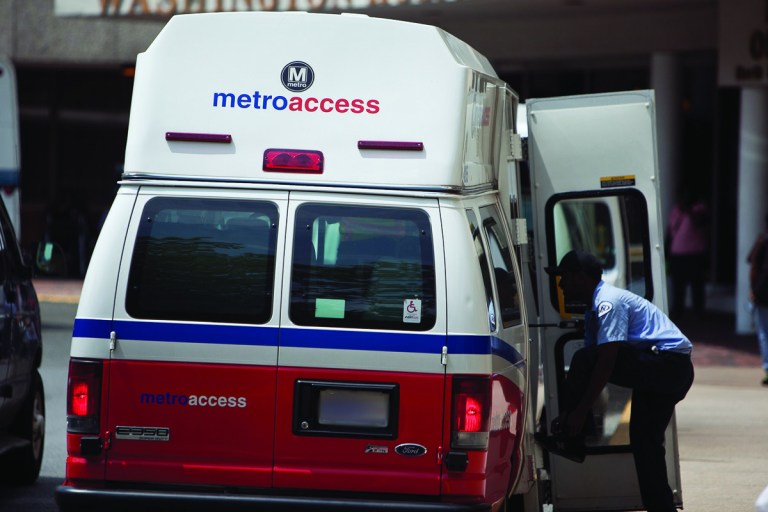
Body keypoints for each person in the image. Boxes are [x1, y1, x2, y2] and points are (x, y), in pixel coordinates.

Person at [536, 250, 694, 512]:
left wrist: (577, 413)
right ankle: (661, 508)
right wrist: (572, 412)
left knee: (586, 360)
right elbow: (593, 374)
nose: (561, 285)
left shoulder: (608, 302)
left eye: (565, 277)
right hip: (662, 371)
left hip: (668, 367)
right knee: (645, 444)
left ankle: (574, 438)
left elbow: (604, 364)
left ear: (583, 278)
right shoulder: (593, 311)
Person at [666, 191, 709, 318]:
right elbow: (670, 230)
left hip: (694, 255)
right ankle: (678, 313)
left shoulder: (699, 208)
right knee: (678, 287)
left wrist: (689, 210)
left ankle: (698, 313)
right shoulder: (676, 210)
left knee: (697, 286)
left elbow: (700, 223)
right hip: (677, 256)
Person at [747, 214, 768, 387]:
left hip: (763, 294)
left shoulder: (763, 242)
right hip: (763, 294)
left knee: (764, 334)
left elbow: (752, 264)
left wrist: (753, 290)